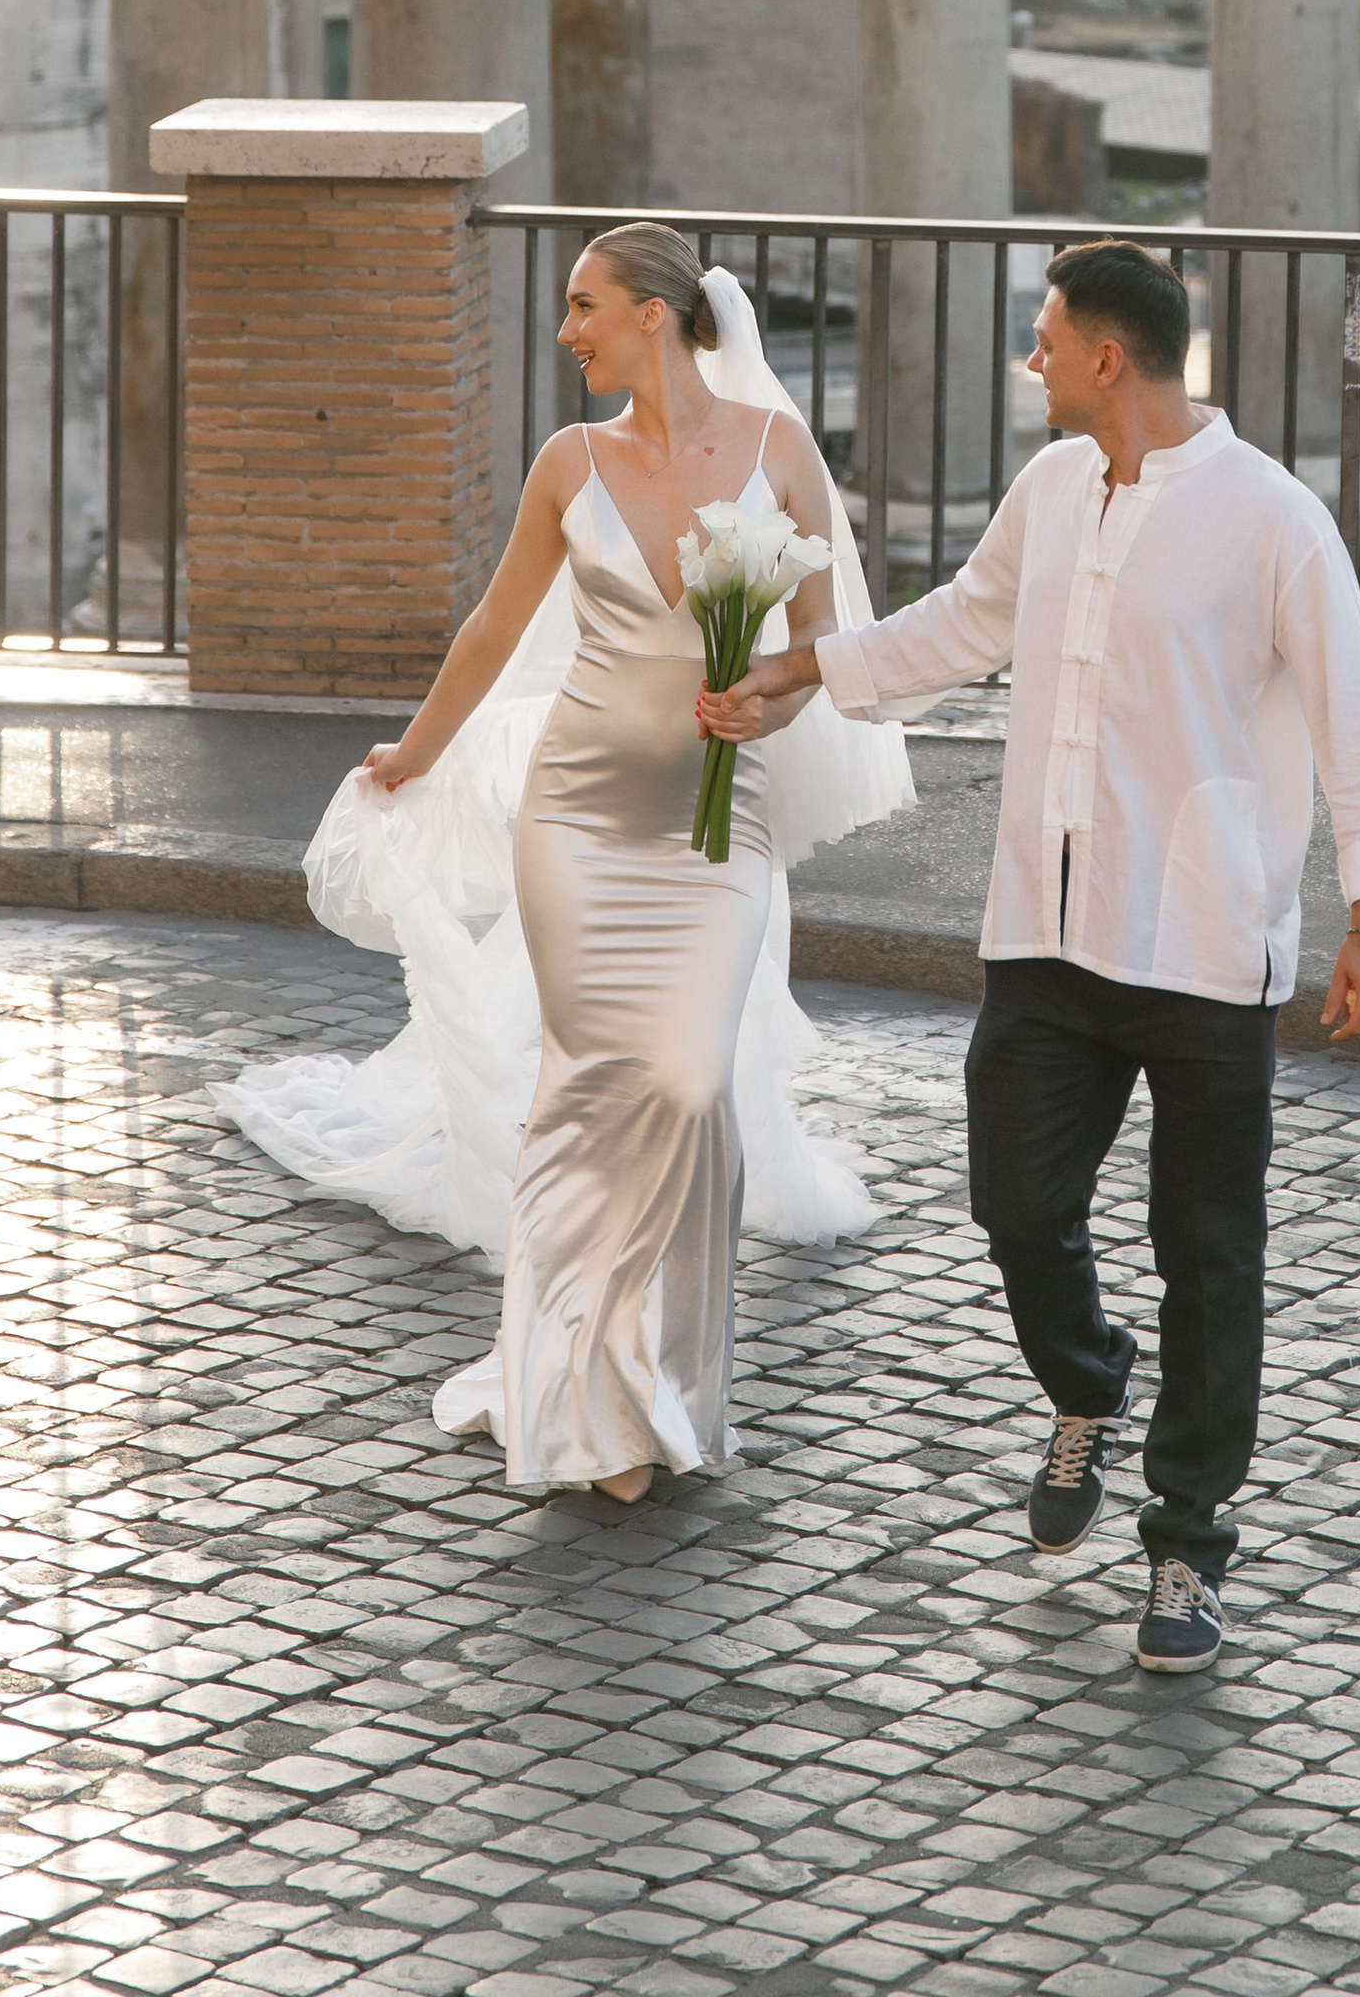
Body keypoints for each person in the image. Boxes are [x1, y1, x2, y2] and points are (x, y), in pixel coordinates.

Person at [705, 236, 1360, 1672]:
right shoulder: (1049, 489)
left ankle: (1187, 1543)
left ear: (1107, 357)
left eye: (1045, 340)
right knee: (1016, 1203)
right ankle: (1088, 1383)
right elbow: (966, 623)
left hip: (1204, 939)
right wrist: (806, 668)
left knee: (1207, 1254)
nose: (1030, 361)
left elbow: (1358, 711)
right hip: (1046, 928)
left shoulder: (1272, 518)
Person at [220, 226, 913, 1503]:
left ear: (655, 314)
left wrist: (764, 698)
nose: (566, 330)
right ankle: (579, 1397)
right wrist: (413, 754)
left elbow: (817, 645)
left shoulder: (779, 453)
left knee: (690, 1087)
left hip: (715, 828)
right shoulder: (568, 461)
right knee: (587, 1093)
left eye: (586, 306)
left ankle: (665, 1380)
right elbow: (495, 625)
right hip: (577, 821)